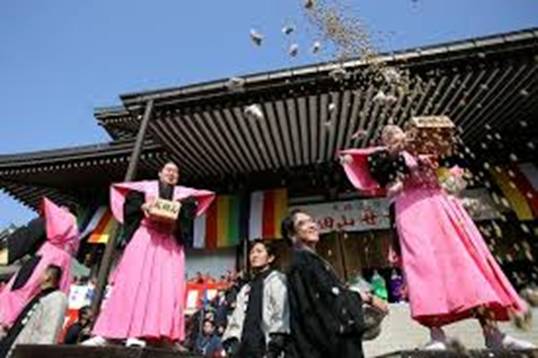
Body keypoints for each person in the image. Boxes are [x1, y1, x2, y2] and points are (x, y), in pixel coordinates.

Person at [340, 124, 536, 350]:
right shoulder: (383, 158)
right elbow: (387, 179)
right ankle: (436, 334)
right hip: (411, 212)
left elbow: (445, 164)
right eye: (387, 134)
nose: (393, 134)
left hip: (441, 207)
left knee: (468, 264)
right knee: (423, 269)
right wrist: (396, 151)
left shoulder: (423, 152)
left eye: (397, 131)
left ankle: (493, 334)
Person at [85, 162, 215, 347]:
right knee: (131, 284)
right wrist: (142, 206)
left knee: (166, 288)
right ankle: (112, 332)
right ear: (160, 173)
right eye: (168, 170)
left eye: (176, 171)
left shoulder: (184, 195)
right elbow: (131, 207)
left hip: (168, 243)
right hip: (145, 239)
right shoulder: (144, 189)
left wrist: (181, 208)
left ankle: (161, 336)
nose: (172, 173)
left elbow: (189, 212)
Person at [282, 210, 388, 358]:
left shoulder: (312, 261)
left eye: (311, 221)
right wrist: (367, 298)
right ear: (292, 235)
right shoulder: (303, 264)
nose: (312, 225)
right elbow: (328, 302)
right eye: (302, 223)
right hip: (323, 348)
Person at [0, 198, 78, 334]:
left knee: (20, 293)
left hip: (43, 262)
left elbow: (23, 240)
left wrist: (4, 256)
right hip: (63, 267)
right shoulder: (75, 230)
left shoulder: (52, 219)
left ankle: (5, 323)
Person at [222, 239, 289, 358]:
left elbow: (281, 313)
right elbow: (236, 318)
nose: (254, 255)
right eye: (252, 252)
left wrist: (275, 345)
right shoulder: (246, 288)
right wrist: (233, 342)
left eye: (259, 251)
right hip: (245, 348)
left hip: (267, 347)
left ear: (270, 258)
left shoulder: (278, 281)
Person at [0, 265, 68, 358]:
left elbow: (50, 334)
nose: (36, 275)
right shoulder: (37, 296)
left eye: (40, 272)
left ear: (47, 276)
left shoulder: (57, 299)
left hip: (28, 353)